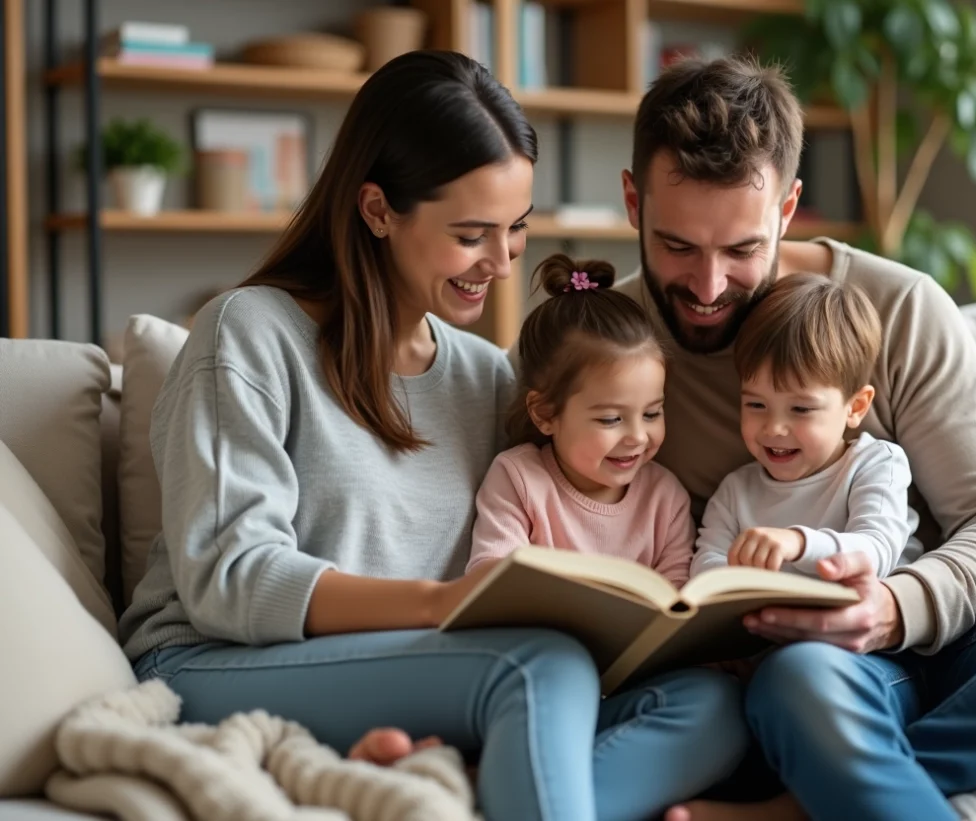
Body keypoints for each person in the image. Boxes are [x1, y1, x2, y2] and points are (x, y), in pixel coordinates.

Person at [117, 50, 737, 821]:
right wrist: (445, 602)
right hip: (218, 662)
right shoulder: (247, 333)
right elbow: (230, 580)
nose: (503, 264)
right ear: (378, 210)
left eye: (516, 230)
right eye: (472, 234)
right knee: (538, 666)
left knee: (711, 702)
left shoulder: (487, 378)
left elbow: (578, 478)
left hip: (420, 668)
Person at [598, 56, 976, 821]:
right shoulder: (605, 350)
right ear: (632, 202)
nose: (710, 287)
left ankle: (801, 804)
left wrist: (891, 605)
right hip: (809, 680)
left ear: (787, 210)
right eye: (678, 246)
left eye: (742, 250)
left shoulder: (900, 310)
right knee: (802, 678)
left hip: (953, 647)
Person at [467, 253, 699, 589]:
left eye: (651, 414)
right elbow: (490, 574)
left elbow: (676, 589)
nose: (637, 436)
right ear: (545, 413)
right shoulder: (518, 479)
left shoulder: (665, 497)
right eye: (610, 419)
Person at [690, 274, 919, 580]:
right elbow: (706, 561)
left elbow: (876, 551)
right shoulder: (735, 492)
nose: (774, 428)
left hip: (866, 621)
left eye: (801, 409)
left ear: (856, 407)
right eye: (756, 405)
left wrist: (798, 543)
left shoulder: (875, 464)